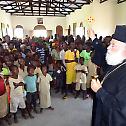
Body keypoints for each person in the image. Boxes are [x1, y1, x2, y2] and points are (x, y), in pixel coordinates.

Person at [90, 25, 126, 126]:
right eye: (110, 44)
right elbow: (102, 53)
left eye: (113, 45)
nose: (108, 47)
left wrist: (99, 91)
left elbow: (121, 109)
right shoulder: (117, 61)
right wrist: (94, 38)